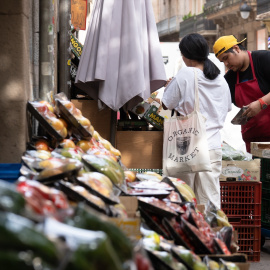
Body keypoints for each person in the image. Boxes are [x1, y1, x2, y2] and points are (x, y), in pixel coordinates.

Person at [162, 33, 232, 208]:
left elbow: (166, 103)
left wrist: (170, 85)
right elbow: (227, 108)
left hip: (188, 145)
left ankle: (187, 233)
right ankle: (213, 233)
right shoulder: (220, 79)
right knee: (210, 201)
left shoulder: (186, 73)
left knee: (184, 199)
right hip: (213, 148)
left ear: (185, 55)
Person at [213, 35, 270, 153]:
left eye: (226, 58)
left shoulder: (263, 59)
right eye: (222, 61)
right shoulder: (230, 79)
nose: (226, 64)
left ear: (236, 49)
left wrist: (261, 103)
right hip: (253, 141)